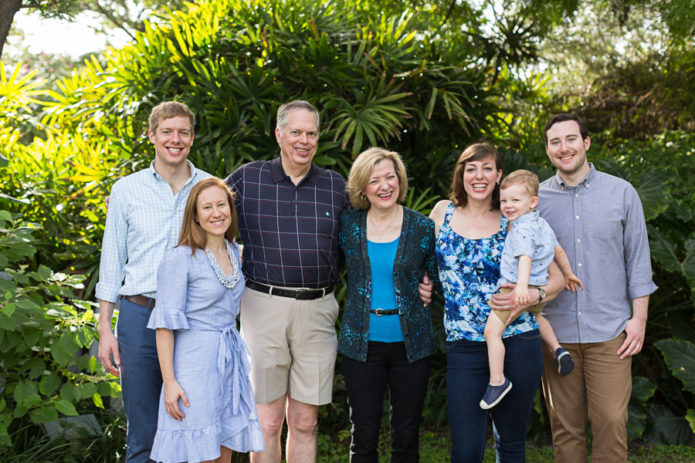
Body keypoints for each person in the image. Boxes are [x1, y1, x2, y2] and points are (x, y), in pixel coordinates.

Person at [225, 100, 350, 463]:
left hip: (318, 310)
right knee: (266, 421)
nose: (304, 140)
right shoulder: (247, 179)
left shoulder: (335, 186)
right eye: (296, 132)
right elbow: (206, 213)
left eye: (311, 133)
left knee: (306, 421)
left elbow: (357, 245)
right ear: (279, 134)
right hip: (262, 307)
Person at [429, 142, 565, 462]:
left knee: (512, 443)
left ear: (499, 176)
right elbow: (420, 262)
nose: (479, 176)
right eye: (471, 168)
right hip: (463, 345)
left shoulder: (515, 219)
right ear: (461, 174)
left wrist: (533, 295)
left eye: (487, 168)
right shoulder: (441, 213)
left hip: (517, 339)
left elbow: (556, 278)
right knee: (465, 450)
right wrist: (423, 283)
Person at [538, 114, 657, 463]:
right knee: (565, 428)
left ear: (586, 143)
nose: (564, 148)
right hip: (556, 335)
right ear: (547, 150)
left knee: (610, 422)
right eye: (555, 142)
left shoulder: (622, 193)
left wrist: (639, 320)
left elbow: (638, 261)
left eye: (571, 139)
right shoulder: (535, 200)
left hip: (610, 333)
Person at [96, 101, 210, 463]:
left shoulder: (209, 188)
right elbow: (111, 262)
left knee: (191, 427)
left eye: (183, 132)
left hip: (193, 321)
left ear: (192, 138)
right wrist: (104, 328)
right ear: (152, 135)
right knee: (143, 433)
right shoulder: (127, 190)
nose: (175, 139)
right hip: (139, 318)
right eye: (167, 131)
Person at [147, 178, 264, 463]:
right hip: (193, 367)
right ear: (195, 216)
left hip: (229, 363)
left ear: (231, 210)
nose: (216, 213)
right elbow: (164, 326)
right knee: (201, 454)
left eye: (221, 205)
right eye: (207, 207)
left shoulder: (235, 252)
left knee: (224, 451)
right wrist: (170, 381)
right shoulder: (180, 258)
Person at [337, 148, 439, 462]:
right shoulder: (348, 226)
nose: (384, 186)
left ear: (400, 180)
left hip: (411, 343)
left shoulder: (421, 227)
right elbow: (323, 263)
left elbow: (438, 275)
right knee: (363, 435)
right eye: (374, 180)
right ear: (362, 187)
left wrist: (429, 286)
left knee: (406, 436)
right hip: (360, 343)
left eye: (390, 177)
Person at [480, 169, 583, 409]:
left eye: (515, 200)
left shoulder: (521, 229)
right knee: (537, 315)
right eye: (504, 200)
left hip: (517, 288)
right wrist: (568, 274)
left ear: (532, 202)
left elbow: (525, 257)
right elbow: (558, 251)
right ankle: (557, 349)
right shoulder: (542, 224)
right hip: (538, 288)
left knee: (491, 332)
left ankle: (498, 380)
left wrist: (521, 288)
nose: (507, 206)